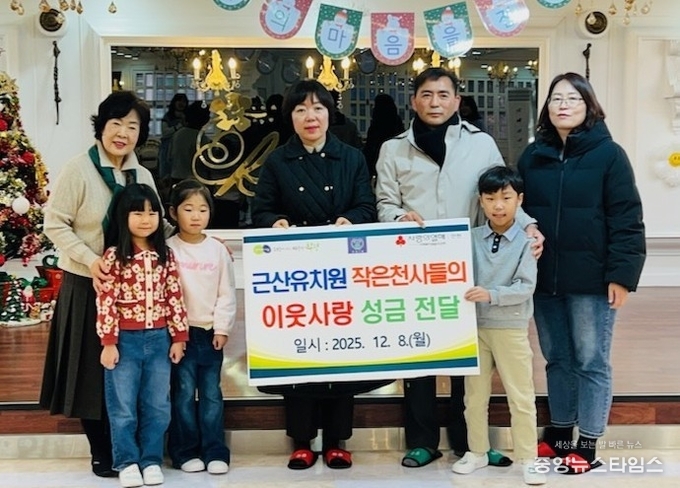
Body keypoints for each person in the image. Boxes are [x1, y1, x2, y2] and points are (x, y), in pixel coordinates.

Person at [375, 67, 543, 468]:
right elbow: (385, 202)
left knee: (468, 358)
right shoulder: (393, 149)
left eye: (443, 95)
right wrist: (398, 217)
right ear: (414, 101)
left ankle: (471, 443)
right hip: (414, 266)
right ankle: (422, 440)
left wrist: (529, 226)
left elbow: (502, 193)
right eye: (427, 94)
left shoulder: (481, 144)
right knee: (419, 352)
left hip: (471, 266)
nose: (435, 102)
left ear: (456, 100)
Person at [517, 72, 646, 474]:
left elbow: (627, 218)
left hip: (592, 280)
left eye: (573, 98)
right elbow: (519, 209)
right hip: (545, 277)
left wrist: (622, 276)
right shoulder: (533, 156)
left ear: (589, 106)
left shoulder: (609, 155)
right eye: (556, 98)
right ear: (547, 107)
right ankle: (559, 432)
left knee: (591, 360)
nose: (563, 105)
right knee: (556, 358)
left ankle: (588, 443)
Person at [251, 79, 379, 470]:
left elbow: (367, 207)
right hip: (297, 276)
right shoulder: (277, 161)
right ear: (290, 117)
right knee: (299, 355)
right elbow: (261, 211)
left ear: (330, 113)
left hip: (341, 273)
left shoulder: (352, 157)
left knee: (341, 354)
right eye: (301, 109)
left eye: (318, 108)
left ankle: (338, 440)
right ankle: (302, 440)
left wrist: (349, 220)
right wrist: (276, 222)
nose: (311, 116)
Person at [39, 91, 169, 478]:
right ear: (101, 127)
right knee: (93, 372)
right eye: (116, 123)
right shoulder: (79, 169)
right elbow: (54, 223)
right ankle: (101, 450)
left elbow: (158, 225)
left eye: (133, 126)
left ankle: (133, 447)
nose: (123, 133)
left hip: (135, 292)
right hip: (87, 284)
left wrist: (199, 242)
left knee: (130, 375)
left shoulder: (142, 176)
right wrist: (90, 259)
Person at [450, 166, 545, 485]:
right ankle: (476, 451)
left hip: (510, 328)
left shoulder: (527, 242)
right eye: (490, 199)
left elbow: (525, 287)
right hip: (473, 328)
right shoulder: (470, 238)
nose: (498, 205)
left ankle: (529, 458)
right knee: (473, 398)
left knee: (521, 396)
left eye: (506, 197)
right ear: (481, 201)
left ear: (520, 200)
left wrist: (491, 294)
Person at [96, 183, 188, 488]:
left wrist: (179, 337)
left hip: (160, 340)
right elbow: (106, 301)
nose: (146, 219)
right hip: (124, 341)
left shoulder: (165, 255)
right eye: (138, 212)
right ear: (123, 216)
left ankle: (151, 460)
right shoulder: (114, 256)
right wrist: (109, 343)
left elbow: (174, 296)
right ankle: (126, 461)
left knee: (158, 405)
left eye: (152, 213)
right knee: (123, 407)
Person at [166, 180, 236, 475]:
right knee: (182, 394)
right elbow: (166, 295)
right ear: (173, 212)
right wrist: (175, 333)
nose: (196, 216)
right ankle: (184, 452)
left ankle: (215, 450)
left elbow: (226, 291)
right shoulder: (168, 249)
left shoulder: (217, 250)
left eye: (203, 209)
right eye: (188, 209)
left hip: (209, 334)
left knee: (211, 395)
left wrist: (222, 328)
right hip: (179, 335)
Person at [168, 101, 210, 185]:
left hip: (176, 177)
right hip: (196, 180)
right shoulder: (202, 138)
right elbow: (206, 163)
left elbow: (169, 157)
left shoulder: (177, 134)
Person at [363, 93, 404, 178]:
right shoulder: (397, 122)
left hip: (378, 164)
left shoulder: (376, 125)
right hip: (397, 163)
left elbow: (370, 149)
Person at [159, 93, 188, 179]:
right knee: (166, 171)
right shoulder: (168, 116)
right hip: (167, 147)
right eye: (179, 101)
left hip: (182, 148)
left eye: (184, 101)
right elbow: (165, 132)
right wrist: (178, 126)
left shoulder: (188, 117)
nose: (181, 103)